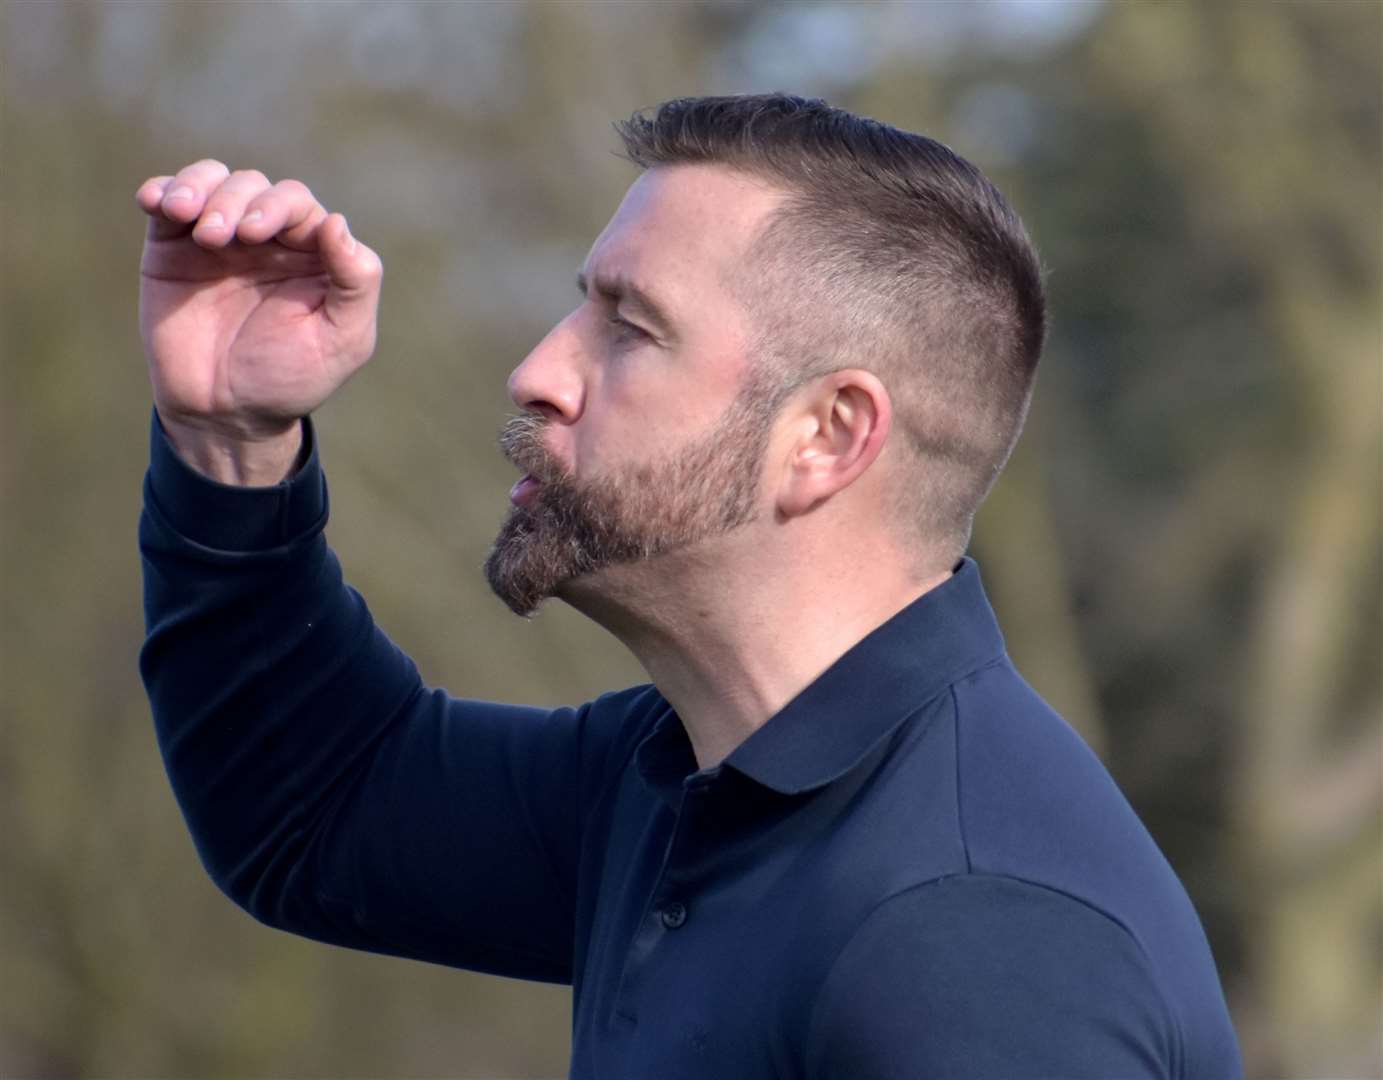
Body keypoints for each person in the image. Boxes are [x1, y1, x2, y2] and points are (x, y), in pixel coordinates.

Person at [137, 94, 1241, 1078]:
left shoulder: (973, 938)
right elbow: (319, 812)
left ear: (827, 435)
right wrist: (230, 439)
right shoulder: (686, 780)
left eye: (631, 326)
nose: (537, 373)